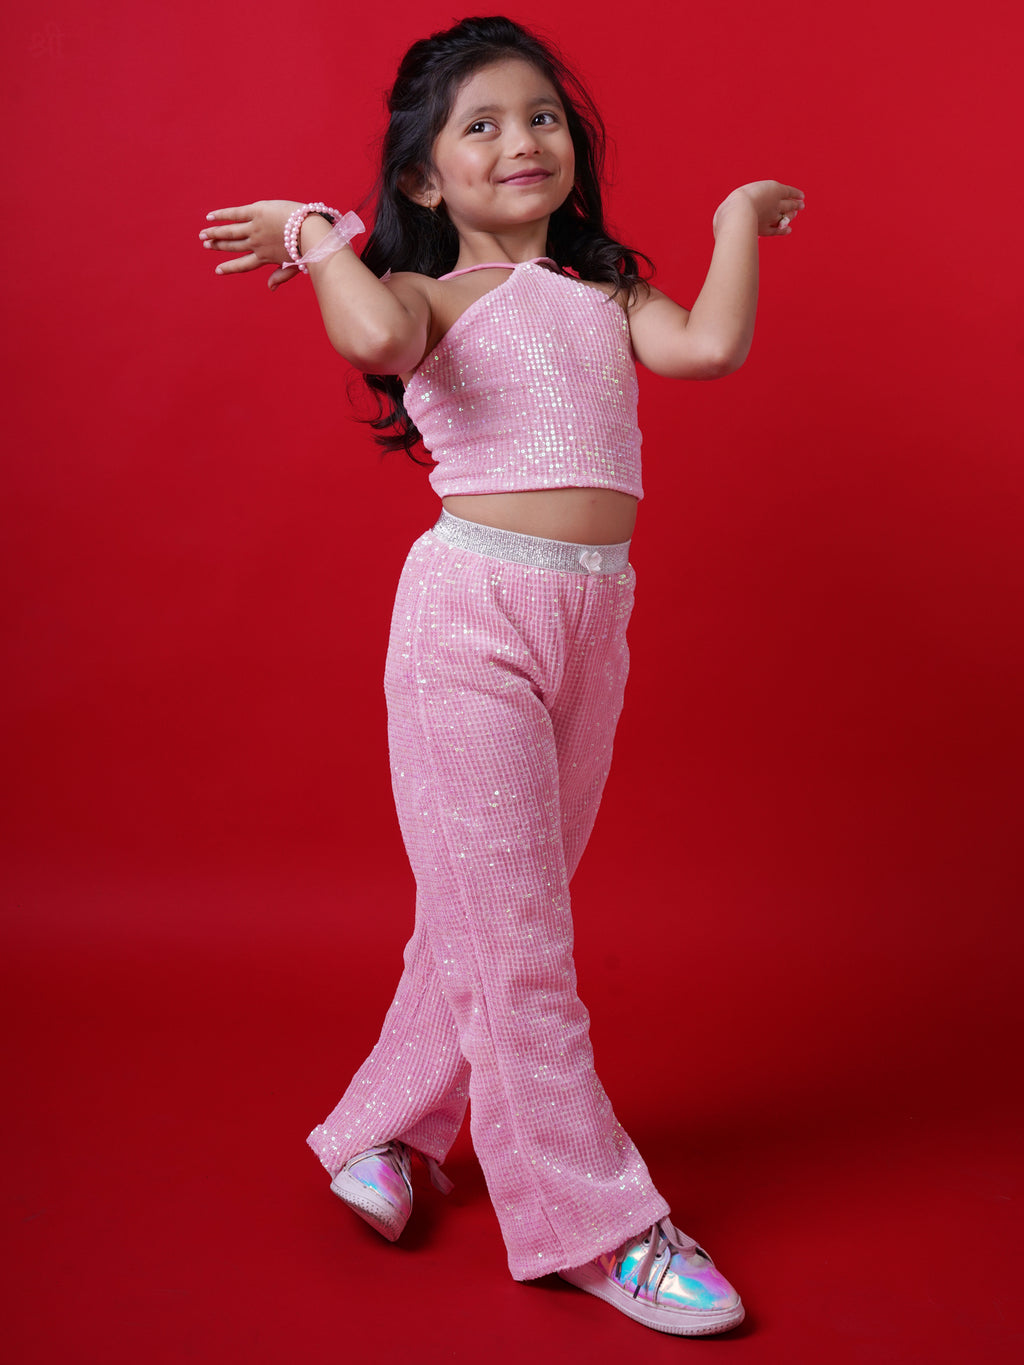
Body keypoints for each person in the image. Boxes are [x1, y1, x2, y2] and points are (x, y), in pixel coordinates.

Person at [199, 14, 803, 1337]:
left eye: (541, 117)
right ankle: (596, 1220)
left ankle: (380, 1131)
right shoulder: (428, 297)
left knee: (488, 912)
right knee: (522, 942)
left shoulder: (608, 293)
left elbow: (709, 349)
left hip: (596, 620)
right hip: (468, 621)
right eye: (480, 126)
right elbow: (372, 339)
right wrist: (316, 238)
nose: (521, 140)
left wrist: (736, 222)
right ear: (424, 181)